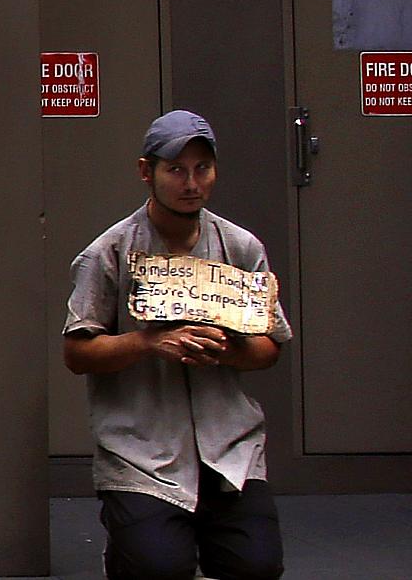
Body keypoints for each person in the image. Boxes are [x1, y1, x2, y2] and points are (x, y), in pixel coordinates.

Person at [62, 110, 290, 580]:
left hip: (230, 449)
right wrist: (150, 342)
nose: (191, 183)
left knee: (258, 566)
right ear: (147, 172)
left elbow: (271, 348)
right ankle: (126, 555)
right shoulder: (108, 252)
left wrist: (225, 350)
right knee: (158, 567)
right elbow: (78, 353)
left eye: (202, 168)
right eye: (176, 170)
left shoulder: (241, 247)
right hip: (141, 453)